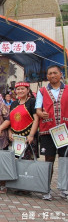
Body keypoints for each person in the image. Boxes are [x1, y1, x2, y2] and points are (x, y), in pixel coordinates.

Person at [35, 65, 68, 201]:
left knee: (64, 160)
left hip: (64, 131)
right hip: (47, 131)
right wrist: (40, 112)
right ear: (47, 76)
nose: (52, 75)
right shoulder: (42, 91)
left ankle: (64, 189)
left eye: (55, 73)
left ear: (61, 74)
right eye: (50, 74)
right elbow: (37, 108)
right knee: (48, 161)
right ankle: (45, 189)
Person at [8, 82, 39, 195]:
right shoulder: (14, 103)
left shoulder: (32, 102)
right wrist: (9, 131)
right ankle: (19, 185)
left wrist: (31, 135)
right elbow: (10, 120)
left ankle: (27, 186)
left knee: (27, 162)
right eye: (18, 89)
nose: (20, 91)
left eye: (22, 89)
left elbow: (36, 119)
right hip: (16, 137)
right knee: (18, 161)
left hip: (28, 137)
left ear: (27, 90)